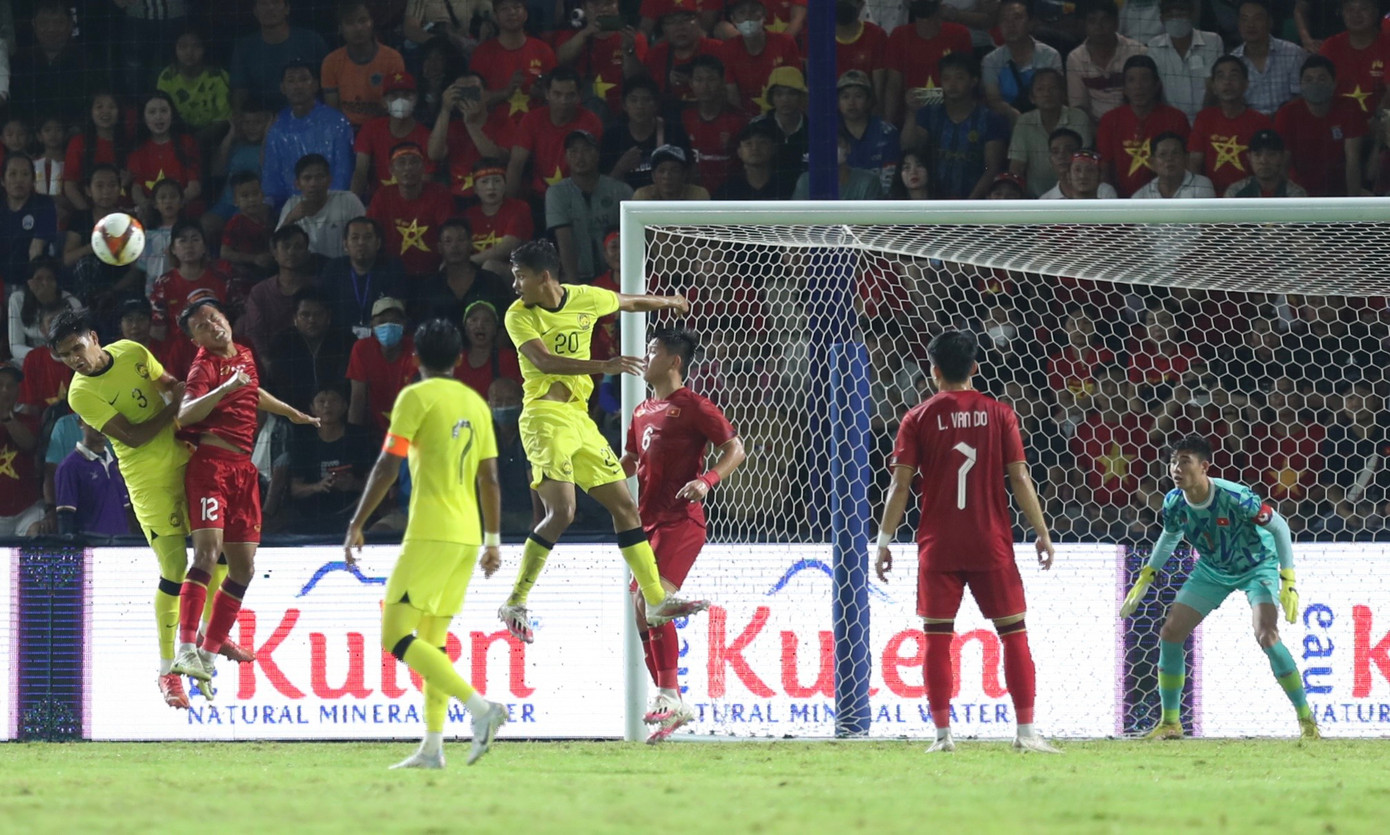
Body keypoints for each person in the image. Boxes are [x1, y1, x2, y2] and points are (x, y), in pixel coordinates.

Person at [496, 240, 710, 645]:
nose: (514, 285)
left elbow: (628, 302)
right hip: (544, 416)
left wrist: (669, 302)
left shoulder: (585, 298)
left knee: (625, 506)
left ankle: (655, 598)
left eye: (520, 276)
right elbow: (542, 361)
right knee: (563, 511)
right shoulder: (518, 315)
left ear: (544, 277)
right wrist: (603, 366)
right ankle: (516, 600)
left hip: (580, 420)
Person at [874, 329, 1059, 754]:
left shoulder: (916, 418)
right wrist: (1042, 532)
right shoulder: (1000, 414)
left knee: (937, 638)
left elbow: (899, 486)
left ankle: (943, 737)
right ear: (975, 367)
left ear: (933, 370)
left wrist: (884, 541)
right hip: (990, 541)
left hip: (938, 545)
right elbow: (1020, 477)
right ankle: (1026, 733)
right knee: (1013, 634)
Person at [51, 310, 244, 710]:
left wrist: (185, 394)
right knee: (174, 571)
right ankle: (167, 672)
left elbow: (172, 385)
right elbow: (136, 436)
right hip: (148, 481)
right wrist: (176, 407)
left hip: (187, 460)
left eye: (77, 348)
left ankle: (212, 629)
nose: (75, 359)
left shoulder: (133, 350)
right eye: (65, 356)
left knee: (218, 549)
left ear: (93, 336)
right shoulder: (80, 393)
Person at [344, 317, 509, 769]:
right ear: (459, 358)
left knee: (394, 634)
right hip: (467, 535)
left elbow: (386, 465)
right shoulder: (475, 402)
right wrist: (492, 541)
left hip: (430, 532)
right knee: (432, 640)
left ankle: (482, 709)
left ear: (415, 357)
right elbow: (490, 478)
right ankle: (433, 747)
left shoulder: (414, 397)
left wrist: (358, 521)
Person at [1120, 434, 1319, 740]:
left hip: (1257, 565)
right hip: (1212, 570)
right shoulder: (1173, 502)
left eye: (1184, 461)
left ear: (1204, 467)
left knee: (1266, 635)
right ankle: (1171, 722)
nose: (1175, 468)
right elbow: (1171, 535)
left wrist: (1288, 579)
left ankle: (1306, 718)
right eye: (1173, 461)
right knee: (1171, 632)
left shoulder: (1236, 496)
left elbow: (1278, 526)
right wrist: (1148, 573)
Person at [170, 299, 317, 691]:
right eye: (202, 325)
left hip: (243, 471)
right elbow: (185, 415)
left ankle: (209, 653)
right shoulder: (205, 366)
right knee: (205, 553)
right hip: (211, 466)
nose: (213, 326)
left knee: (244, 568)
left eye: (215, 318)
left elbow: (252, 391)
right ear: (194, 338)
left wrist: (289, 412)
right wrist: (224, 387)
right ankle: (184, 646)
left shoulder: (245, 354)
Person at [620, 327, 745, 743]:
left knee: (649, 601)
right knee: (642, 611)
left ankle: (669, 694)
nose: (646, 356)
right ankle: (671, 701)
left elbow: (736, 449)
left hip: (681, 523)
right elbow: (629, 461)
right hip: (645, 524)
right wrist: (593, 476)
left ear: (674, 362)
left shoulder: (693, 406)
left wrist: (708, 480)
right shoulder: (640, 411)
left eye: (653, 350)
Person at [901, 53, 1008, 201]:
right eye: (946, 78)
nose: (952, 84)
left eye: (959, 78)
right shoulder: (929, 114)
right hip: (932, 202)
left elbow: (992, 168)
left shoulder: (990, 120)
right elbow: (909, 147)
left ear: (974, 81)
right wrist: (912, 112)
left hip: (974, 203)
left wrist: (970, 204)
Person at [261, 62, 355, 212]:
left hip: (332, 205)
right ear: (283, 88)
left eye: (303, 79)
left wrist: (328, 203)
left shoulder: (337, 122)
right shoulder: (277, 128)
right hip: (291, 207)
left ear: (315, 85)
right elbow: (272, 179)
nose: (297, 86)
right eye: (291, 81)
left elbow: (343, 171)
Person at [1095, 55, 1191, 197]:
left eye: (1145, 79)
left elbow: (1187, 164)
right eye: (1131, 80)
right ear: (1124, 88)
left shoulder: (1176, 118)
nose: (1138, 86)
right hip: (1121, 201)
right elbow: (1104, 169)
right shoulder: (1110, 120)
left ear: (1156, 85)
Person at [506, 67, 605, 203]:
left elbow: (591, 168)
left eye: (570, 95)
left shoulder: (591, 122)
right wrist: (508, 208)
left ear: (579, 96)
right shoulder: (531, 120)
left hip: (578, 197)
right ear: (547, 94)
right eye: (557, 94)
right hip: (539, 198)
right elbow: (516, 165)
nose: (563, 101)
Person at [545, 130, 632, 283]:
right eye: (573, 151)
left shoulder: (621, 190)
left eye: (586, 150)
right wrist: (574, 286)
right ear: (566, 157)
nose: (580, 156)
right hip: (578, 275)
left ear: (598, 154)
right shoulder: (556, 193)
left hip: (617, 275)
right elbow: (564, 240)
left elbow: (633, 237)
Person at [1275, 55, 1366, 197]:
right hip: (1300, 193)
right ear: (1300, 85)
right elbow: (1283, 165)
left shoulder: (1350, 107)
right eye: (1308, 80)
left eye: (1321, 79)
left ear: (1334, 83)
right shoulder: (1287, 113)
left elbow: (1352, 159)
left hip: (1340, 191)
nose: (1315, 84)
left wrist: (1353, 203)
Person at [289, 383, 373, 533]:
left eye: (334, 400)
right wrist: (317, 486)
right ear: (312, 409)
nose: (327, 405)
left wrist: (353, 484)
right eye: (321, 401)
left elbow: (376, 484)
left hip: (354, 513)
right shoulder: (303, 441)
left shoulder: (359, 437)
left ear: (344, 406)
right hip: (312, 516)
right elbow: (294, 489)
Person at [366, 142, 456, 278]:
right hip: (392, 274)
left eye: (414, 162)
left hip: (434, 273)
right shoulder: (382, 196)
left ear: (424, 167)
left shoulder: (439, 193)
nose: (408, 168)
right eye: (401, 163)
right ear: (391, 169)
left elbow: (449, 235)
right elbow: (370, 234)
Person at [1188, 55, 1272, 196]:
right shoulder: (1204, 118)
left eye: (1234, 76)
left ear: (1246, 84)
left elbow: (1267, 168)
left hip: (1248, 198)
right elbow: (1194, 163)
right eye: (1221, 77)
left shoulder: (1260, 122)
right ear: (1213, 86)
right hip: (1210, 198)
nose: (1227, 82)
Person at [883, 0, 973, 126]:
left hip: (951, 114)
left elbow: (968, 82)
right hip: (911, 115)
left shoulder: (959, 34)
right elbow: (893, 85)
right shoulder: (899, 35)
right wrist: (888, 124)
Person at [471, 0, 557, 130]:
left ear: (526, 14)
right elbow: (473, 99)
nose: (511, 12)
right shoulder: (482, 53)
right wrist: (505, 93)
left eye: (517, 7)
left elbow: (560, 93)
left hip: (538, 129)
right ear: (495, 16)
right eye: (504, 9)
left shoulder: (543, 50)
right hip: (495, 130)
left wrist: (542, 93)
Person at [1007, 69, 1094, 197]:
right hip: (1035, 198)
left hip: (1076, 194)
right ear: (1032, 97)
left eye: (1052, 88)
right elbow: (1016, 167)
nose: (1047, 94)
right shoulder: (1024, 122)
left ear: (1064, 94)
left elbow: (1085, 160)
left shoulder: (1078, 117)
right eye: (1040, 89)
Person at [230, 0, 329, 112]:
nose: (270, 8)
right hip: (262, 120)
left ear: (287, 9)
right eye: (263, 4)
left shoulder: (312, 41)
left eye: (276, 2)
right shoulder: (244, 47)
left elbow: (328, 85)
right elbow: (240, 91)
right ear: (255, 11)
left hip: (309, 114)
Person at [235, 224, 316, 360]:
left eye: (298, 247)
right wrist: (266, 363)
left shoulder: (316, 287)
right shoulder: (259, 292)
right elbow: (255, 333)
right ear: (274, 253)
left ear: (306, 252)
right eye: (286, 247)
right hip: (270, 361)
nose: (291, 252)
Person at [428, 71, 510, 203]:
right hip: (458, 197)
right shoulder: (452, 127)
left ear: (486, 95)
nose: (468, 97)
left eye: (473, 91)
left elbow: (496, 159)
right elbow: (434, 154)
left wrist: (470, 124)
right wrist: (445, 109)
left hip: (492, 196)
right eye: (461, 92)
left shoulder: (502, 123)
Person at [321, 0, 406, 128]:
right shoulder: (331, 62)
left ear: (372, 23)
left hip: (383, 128)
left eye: (363, 20)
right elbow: (333, 113)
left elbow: (398, 105)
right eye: (350, 22)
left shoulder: (392, 58)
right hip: (346, 130)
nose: (358, 28)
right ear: (340, 28)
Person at [268, 289, 355, 412]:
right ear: (295, 318)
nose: (311, 320)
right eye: (305, 315)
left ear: (328, 316)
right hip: (292, 413)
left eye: (318, 314)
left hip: (335, 413)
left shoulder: (345, 341)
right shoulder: (282, 342)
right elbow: (280, 385)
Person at [355, 71, 437, 199]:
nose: (400, 100)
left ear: (415, 99)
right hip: (379, 201)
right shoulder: (371, 128)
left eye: (406, 95)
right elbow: (360, 172)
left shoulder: (427, 136)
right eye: (394, 96)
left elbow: (425, 182)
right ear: (383, 102)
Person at [1066, 0, 1148, 127]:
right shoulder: (1075, 58)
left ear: (1116, 23)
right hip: (1095, 126)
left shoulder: (1138, 51)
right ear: (1085, 25)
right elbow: (1079, 107)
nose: (1099, 27)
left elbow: (1148, 97)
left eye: (1105, 20)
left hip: (1137, 122)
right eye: (1092, 21)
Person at [320, 217, 406, 338]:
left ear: (378, 243)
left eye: (368, 237)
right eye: (355, 238)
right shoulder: (334, 269)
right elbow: (323, 309)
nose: (361, 242)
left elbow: (397, 311)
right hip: (339, 339)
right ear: (345, 245)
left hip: (381, 338)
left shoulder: (392, 267)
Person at [982, 0, 1064, 125]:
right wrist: (1013, 114)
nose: (1010, 25)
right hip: (1007, 122)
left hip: (1046, 120)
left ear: (1031, 23)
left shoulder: (1050, 56)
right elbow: (994, 100)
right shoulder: (991, 60)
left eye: (1017, 18)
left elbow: (1055, 95)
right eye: (1004, 19)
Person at [347, 296, 419, 435]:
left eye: (395, 321)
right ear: (372, 325)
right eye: (382, 321)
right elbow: (357, 400)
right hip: (372, 431)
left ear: (404, 324)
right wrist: (353, 440)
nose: (388, 325)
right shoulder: (362, 348)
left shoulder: (416, 348)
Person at [1145, 0, 1223, 126]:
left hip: (1208, 119)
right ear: (1161, 19)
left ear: (1192, 14)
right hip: (1170, 121)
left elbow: (1212, 86)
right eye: (1170, 15)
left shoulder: (1212, 41)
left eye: (1181, 13)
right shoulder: (1154, 46)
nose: (1176, 19)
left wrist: (1202, 122)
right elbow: (1155, 88)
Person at [681, 54, 749, 196]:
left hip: (731, 196)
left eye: (711, 79)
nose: (705, 86)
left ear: (722, 81)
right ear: (691, 83)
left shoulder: (739, 120)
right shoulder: (684, 117)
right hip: (693, 197)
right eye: (699, 80)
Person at [54, 414, 132, 537]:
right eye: (94, 419)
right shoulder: (70, 467)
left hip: (120, 549)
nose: (101, 426)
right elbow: (66, 519)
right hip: (92, 549)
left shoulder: (117, 464)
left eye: (105, 420)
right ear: (81, 423)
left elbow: (127, 512)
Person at [278, 154, 367, 261]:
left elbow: (366, 235)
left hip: (343, 269)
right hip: (306, 271)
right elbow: (277, 245)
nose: (313, 183)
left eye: (319, 177)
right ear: (297, 184)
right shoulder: (291, 205)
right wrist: (290, 218)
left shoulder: (349, 200)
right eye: (307, 178)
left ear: (330, 180)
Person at [1231, 0, 1308, 118]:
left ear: (1270, 22)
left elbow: (1302, 96)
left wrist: (1278, 117)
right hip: (1248, 125)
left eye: (1257, 18)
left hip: (1288, 121)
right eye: (1244, 19)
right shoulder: (1233, 61)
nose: (1250, 25)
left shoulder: (1293, 53)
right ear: (1238, 24)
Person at [463, 161, 533, 276]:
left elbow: (506, 248)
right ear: (475, 188)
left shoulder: (519, 208)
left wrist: (465, 262)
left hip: (516, 272)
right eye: (484, 182)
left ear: (505, 184)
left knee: (490, 266)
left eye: (497, 181)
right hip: (475, 272)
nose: (491, 187)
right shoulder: (468, 216)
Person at [837, 70, 899, 194]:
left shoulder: (887, 132)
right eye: (845, 96)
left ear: (869, 100)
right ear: (837, 102)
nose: (851, 102)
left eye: (858, 96)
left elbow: (890, 182)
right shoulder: (829, 135)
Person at [8, 258, 80, 364]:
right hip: (30, 359)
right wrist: (42, 356)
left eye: (50, 278)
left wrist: (48, 302)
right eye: (39, 279)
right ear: (29, 282)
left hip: (64, 358)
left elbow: (78, 339)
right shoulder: (17, 299)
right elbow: (15, 347)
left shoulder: (71, 301)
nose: (45, 283)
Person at [0, 365, 44, 537]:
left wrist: (5, 415)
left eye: (11, 386)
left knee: (38, 534)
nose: (5, 391)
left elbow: (28, 444)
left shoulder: (30, 420)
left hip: (27, 510)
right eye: (1, 384)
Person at [453, 300, 521, 396]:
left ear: (495, 330)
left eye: (487, 321)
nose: (480, 325)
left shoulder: (508, 358)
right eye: (474, 320)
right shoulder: (455, 361)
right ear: (466, 328)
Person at [1223, 128, 1308, 197]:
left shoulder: (1295, 194)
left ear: (1282, 157)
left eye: (1271, 154)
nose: (1264, 161)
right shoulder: (1235, 192)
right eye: (1257, 154)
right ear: (1249, 157)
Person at [1131, 131, 1216, 197]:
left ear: (1186, 158)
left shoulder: (1202, 186)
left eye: (1175, 153)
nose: (1169, 159)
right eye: (1163, 154)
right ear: (1152, 162)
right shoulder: (1141, 196)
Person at [632, 144, 709, 201]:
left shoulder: (698, 195)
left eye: (674, 170)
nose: (667, 176)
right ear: (653, 176)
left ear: (684, 175)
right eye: (661, 170)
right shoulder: (642, 196)